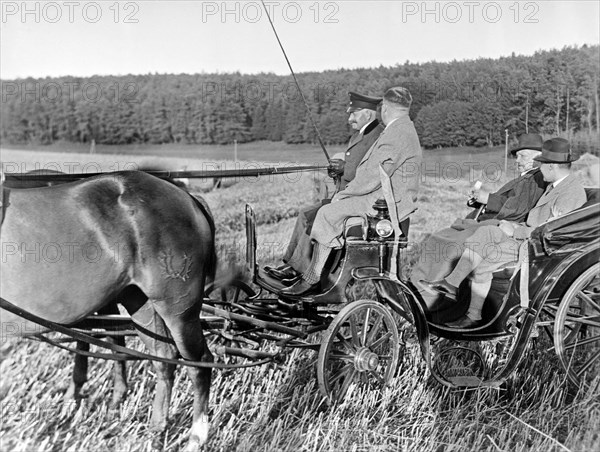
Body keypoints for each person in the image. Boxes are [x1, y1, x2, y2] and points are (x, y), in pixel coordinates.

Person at [422, 137, 587, 328]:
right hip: (527, 237)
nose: (538, 169)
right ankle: (451, 284)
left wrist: (517, 230)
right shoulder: (556, 185)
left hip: (535, 248)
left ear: (551, 166)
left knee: (485, 259)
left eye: (541, 164)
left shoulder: (571, 193)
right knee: (486, 233)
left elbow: (553, 233)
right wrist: (514, 226)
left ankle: (473, 315)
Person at [282, 86, 422, 296]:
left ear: (385, 108)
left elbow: (372, 177)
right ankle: (316, 273)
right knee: (329, 211)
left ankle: (312, 278)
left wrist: (344, 195)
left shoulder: (396, 133)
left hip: (385, 204)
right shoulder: (402, 128)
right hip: (384, 199)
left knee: (327, 213)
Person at [410, 133, 547, 304]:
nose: (517, 160)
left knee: (453, 244)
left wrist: (487, 199)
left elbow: (517, 209)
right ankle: (419, 285)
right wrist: (479, 200)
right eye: (517, 156)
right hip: (490, 221)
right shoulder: (526, 177)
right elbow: (506, 201)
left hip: (504, 227)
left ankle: (433, 298)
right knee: (438, 237)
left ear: (538, 157)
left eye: (522, 156)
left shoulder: (537, 178)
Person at [265, 91, 384, 282]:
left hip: (358, 200)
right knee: (305, 214)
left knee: (316, 216)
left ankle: (303, 273)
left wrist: (344, 169)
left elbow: (371, 172)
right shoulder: (358, 135)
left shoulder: (378, 136)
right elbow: (351, 166)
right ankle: (292, 265)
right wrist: (337, 171)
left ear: (367, 114)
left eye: (353, 114)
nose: (349, 119)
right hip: (345, 195)